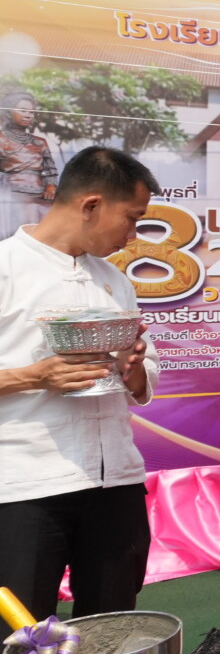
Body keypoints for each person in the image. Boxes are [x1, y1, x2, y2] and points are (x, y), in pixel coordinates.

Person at [0, 147, 160, 623]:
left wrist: (134, 369)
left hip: (116, 481)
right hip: (27, 484)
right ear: (91, 205)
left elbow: (143, 375)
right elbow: (36, 375)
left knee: (112, 629)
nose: (132, 235)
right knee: (21, 637)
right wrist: (35, 376)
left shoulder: (113, 280)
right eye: (131, 218)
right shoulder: (6, 268)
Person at [0, 90, 56, 238]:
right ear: (9, 113)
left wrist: (51, 186)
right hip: (12, 194)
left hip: (40, 193)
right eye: (23, 110)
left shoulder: (40, 142)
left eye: (31, 112)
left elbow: (50, 169)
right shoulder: (1, 139)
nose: (28, 115)